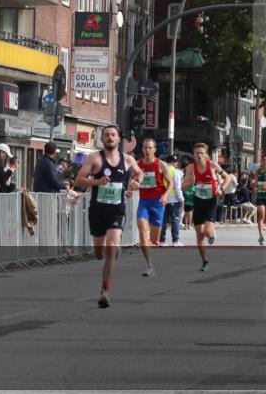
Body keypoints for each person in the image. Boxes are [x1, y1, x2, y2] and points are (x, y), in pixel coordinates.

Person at [72, 125, 143, 308]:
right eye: (106, 135)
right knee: (99, 253)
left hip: (116, 209)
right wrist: (98, 181)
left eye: (113, 135)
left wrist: (135, 182)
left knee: (111, 246)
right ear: (102, 139)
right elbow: (79, 180)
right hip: (97, 210)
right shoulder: (94, 158)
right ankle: (109, 250)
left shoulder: (127, 159)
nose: (110, 137)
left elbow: (139, 172)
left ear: (119, 139)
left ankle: (105, 291)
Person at [181, 143, 232, 272]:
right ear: (194, 155)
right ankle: (205, 261)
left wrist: (221, 189)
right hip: (198, 201)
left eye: (201, 153)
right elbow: (183, 187)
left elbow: (228, 178)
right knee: (199, 234)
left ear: (206, 154)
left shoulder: (213, 165)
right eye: (197, 153)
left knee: (207, 232)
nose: (199, 155)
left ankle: (212, 233)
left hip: (211, 201)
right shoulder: (190, 168)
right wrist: (191, 182)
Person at [135, 138, 172, 277]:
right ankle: (149, 265)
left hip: (158, 203)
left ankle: (151, 243)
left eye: (150, 147)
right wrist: (130, 188)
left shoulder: (161, 165)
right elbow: (132, 179)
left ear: (155, 149)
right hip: (144, 202)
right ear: (142, 149)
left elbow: (170, 183)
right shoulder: (138, 164)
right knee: (143, 232)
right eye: (145, 147)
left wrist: (165, 195)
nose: (147, 150)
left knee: (154, 239)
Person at [159, 155, 185, 247]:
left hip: (163, 198)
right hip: (174, 199)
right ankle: (175, 241)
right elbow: (177, 188)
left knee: (163, 220)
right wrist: (181, 199)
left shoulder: (162, 171)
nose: (177, 164)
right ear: (174, 163)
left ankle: (162, 241)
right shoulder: (175, 172)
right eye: (176, 162)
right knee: (175, 220)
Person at [252, 153, 266, 244]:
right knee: (262, 215)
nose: (265, 162)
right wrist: (253, 183)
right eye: (264, 160)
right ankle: (261, 236)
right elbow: (254, 182)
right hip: (260, 196)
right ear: (261, 161)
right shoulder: (258, 171)